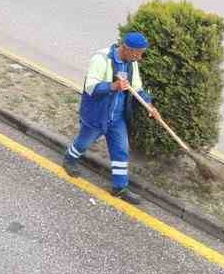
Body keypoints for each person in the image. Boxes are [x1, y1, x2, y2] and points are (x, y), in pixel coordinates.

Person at [63, 32, 158, 204]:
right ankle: (69, 159)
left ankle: (120, 187)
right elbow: (91, 87)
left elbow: (138, 89)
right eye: (138, 52)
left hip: (117, 117)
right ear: (127, 49)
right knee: (84, 143)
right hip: (97, 114)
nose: (140, 56)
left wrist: (149, 105)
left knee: (121, 149)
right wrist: (113, 86)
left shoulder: (132, 64)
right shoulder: (101, 58)